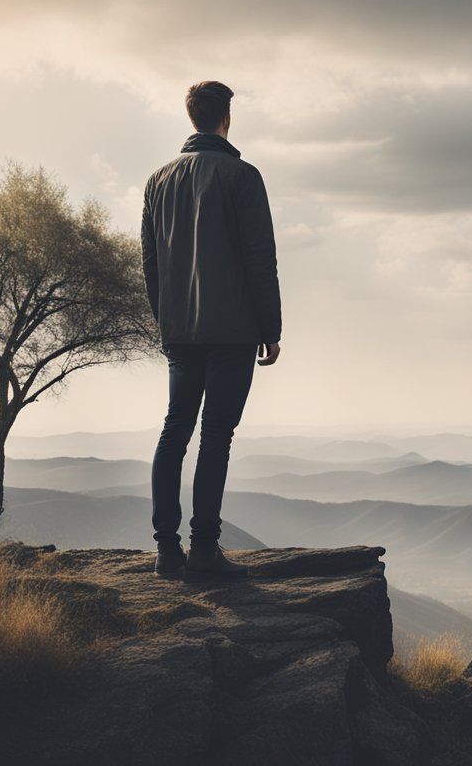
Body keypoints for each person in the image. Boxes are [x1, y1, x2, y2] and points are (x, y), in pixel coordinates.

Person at [141, 80, 282, 579]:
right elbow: (259, 260)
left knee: (174, 429)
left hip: (181, 331)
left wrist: (167, 320)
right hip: (234, 330)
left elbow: (150, 263)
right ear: (226, 118)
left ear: (191, 118)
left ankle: (165, 550)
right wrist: (271, 327)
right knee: (215, 436)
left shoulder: (158, 181)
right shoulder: (243, 177)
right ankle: (203, 551)